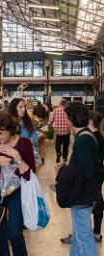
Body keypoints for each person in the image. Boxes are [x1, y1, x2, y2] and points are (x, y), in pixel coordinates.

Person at [0, 111, 36, 256]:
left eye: (0, 133)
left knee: (15, 232)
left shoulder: (25, 144)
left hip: (16, 190)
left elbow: (30, 175)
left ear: (10, 130)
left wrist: (16, 158)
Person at [55, 102, 99, 255]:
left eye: (66, 117)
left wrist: (65, 171)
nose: (65, 120)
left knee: (84, 237)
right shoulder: (84, 135)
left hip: (82, 196)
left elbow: (88, 171)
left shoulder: (83, 139)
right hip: (82, 195)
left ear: (72, 118)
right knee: (78, 236)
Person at [8, 98, 41, 165]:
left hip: (28, 156)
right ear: (14, 108)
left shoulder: (28, 121)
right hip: (14, 159)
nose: (24, 109)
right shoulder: (8, 123)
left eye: (24, 107)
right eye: (20, 107)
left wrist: (31, 141)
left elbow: (34, 134)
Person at [48, 99, 71, 163]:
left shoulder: (55, 111)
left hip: (58, 131)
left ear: (60, 103)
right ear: (65, 104)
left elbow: (51, 120)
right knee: (66, 144)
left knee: (58, 143)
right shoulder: (68, 111)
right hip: (67, 131)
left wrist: (49, 125)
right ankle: (65, 158)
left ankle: (58, 153)